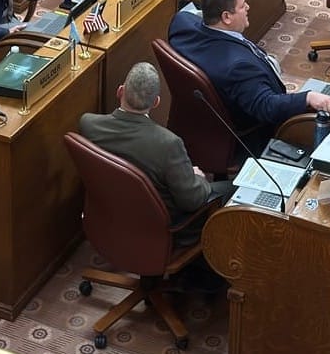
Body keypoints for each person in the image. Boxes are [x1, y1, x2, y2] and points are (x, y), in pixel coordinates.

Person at [168, 0, 330, 151]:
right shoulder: (239, 66)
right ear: (226, 17)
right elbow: (266, 106)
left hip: (196, 121)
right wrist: (306, 98)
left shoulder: (181, 22)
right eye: (242, 6)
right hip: (258, 131)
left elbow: (186, 16)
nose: (248, 7)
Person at [79, 62, 232, 230]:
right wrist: (198, 178)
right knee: (232, 188)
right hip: (157, 226)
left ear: (120, 91)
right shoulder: (168, 144)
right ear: (156, 102)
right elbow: (192, 201)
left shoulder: (88, 124)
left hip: (110, 215)